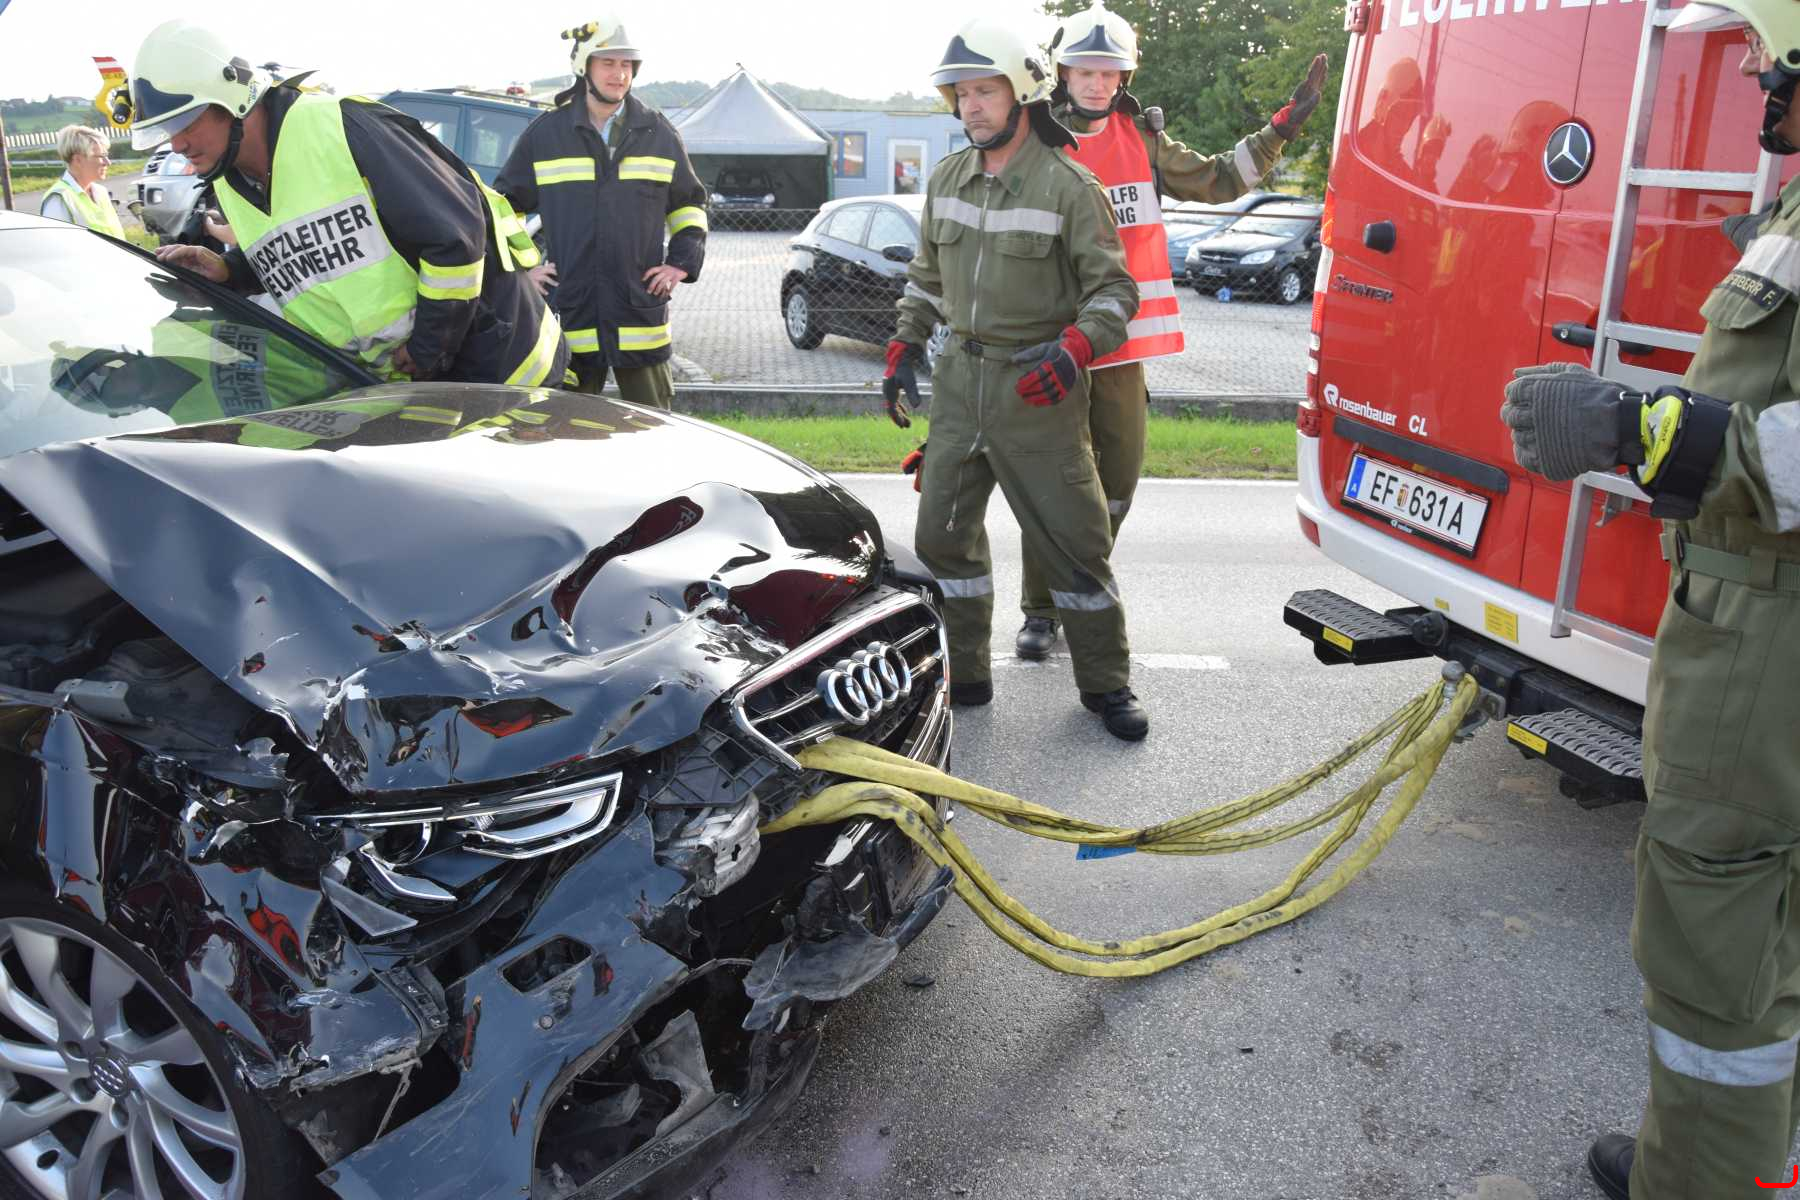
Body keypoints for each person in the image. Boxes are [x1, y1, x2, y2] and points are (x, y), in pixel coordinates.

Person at [1499, 3, 1800, 1194]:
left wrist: (1639, 431)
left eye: (1772, 51)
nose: (1758, 70)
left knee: (1716, 931)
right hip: (1754, 617)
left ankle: (1703, 1180)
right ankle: (1742, 1161)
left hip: (1772, 640)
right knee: (1766, 929)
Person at [1011, 1, 1327, 661]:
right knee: (1055, 483)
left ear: (1124, 78)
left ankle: (1076, 583)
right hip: (1054, 345)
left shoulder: (1144, 141)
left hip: (1122, 347)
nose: (1097, 82)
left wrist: (1281, 129)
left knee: (1117, 484)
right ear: (1063, 73)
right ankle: (1042, 611)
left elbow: (1219, 180)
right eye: (1085, 71)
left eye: (1109, 72)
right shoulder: (1033, 140)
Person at [887, 17, 1147, 740]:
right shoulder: (947, 178)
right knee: (943, 541)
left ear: (1022, 93)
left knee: (1075, 546)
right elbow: (928, 280)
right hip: (959, 388)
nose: (971, 107)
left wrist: (1074, 349)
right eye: (961, 94)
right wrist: (903, 346)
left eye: (985, 91)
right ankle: (965, 674)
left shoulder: (1070, 186)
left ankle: (1106, 685)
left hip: (1038, 392)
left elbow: (1115, 292)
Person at [128, 19, 566, 388]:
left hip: (504, 371)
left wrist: (428, 348)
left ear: (232, 102)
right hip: (411, 387)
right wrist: (231, 270)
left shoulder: (339, 127)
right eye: (168, 130)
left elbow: (456, 238)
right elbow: (305, 251)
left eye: (187, 122)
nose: (177, 144)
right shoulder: (228, 176)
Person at [496, 14, 707, 409]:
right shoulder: (547, 135)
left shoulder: (658, 134)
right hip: (571, 312)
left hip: (638, 312)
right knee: (564, 427)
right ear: (585, 67)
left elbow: (689, 205)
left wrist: (680, 263)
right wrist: (521, 270)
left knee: (653, 429)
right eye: (608, 63)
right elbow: (502, 206)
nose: (619, 74)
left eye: (627, 64)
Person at [39, 124, 125, 238]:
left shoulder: (101, 192)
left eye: (106, 155)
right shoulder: (58, 199)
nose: (108, 162)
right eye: (101, 156)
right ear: (78, 160)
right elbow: (56, 243)